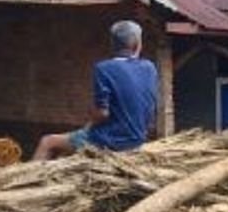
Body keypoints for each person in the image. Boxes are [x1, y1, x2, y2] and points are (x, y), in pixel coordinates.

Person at [33, 20, 159, 160]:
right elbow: (150, 110)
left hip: (109, 141)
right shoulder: (150, 68)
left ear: (112, 44)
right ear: (137, 45)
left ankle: (26, 180)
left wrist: (88, 125)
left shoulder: (104, 68)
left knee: (48, 142)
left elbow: (102, 113)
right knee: (65, 151)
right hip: (138, 138)